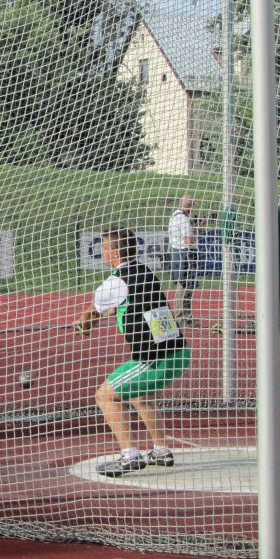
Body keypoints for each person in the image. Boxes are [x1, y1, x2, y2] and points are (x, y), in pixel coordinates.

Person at [73, 227, 191, 478]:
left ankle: (130, 455)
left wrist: (83, 325)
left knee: (105, 396)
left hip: (154, 361)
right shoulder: (145, 271)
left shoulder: (114, 282)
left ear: (114, 252)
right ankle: (160, 451)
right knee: (140, 395)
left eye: (104, 247)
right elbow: (122, 306)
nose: (102, 251)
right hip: (179, 353)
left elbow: (92, 313)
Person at [168, 194, 199, 325]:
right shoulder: (183, 220)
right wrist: (198, 228)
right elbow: (189, 240)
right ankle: (184, 317)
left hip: (176, 254)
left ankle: (182, 316)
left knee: (182, 285)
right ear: (189, 205)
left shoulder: (174, 217)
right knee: (186, 286)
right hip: (185, 255)